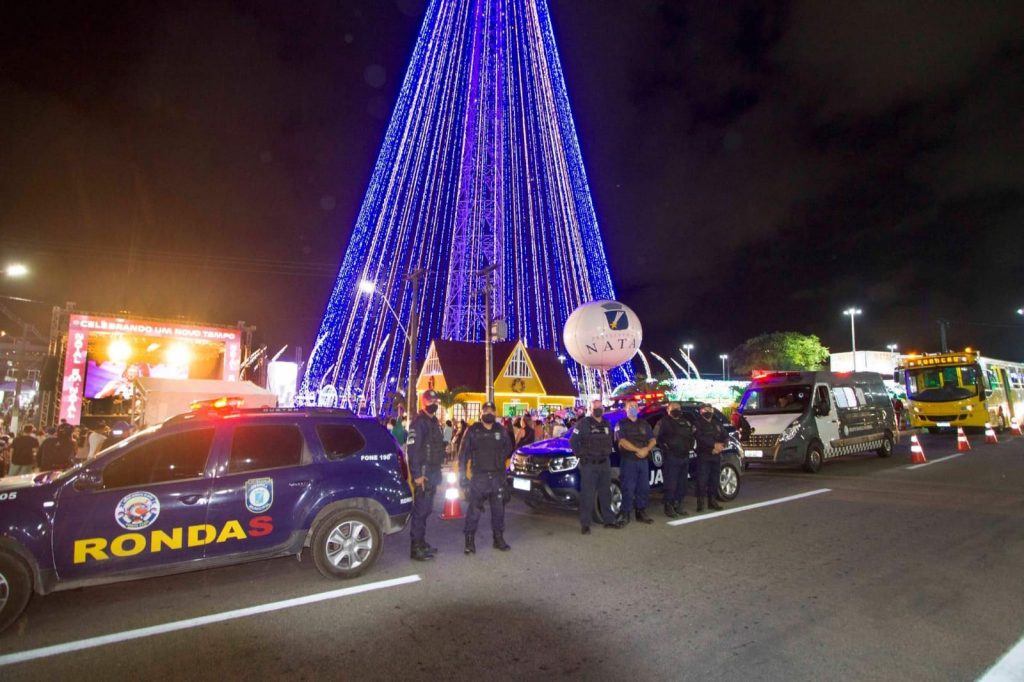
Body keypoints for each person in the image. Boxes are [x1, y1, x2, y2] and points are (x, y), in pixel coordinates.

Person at [458, 401, 514, 554]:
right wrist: (462, 478)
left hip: (497, 477)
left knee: (498, 511)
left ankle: (498, 538)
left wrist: (499, 461)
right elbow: (463, 455)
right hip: (479, 478)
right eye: (486, 411)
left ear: (495, 413)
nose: (489, 413)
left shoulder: (501, 430)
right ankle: (469, 541)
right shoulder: (473, 431)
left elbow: (509, 448)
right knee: (474, 511)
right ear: (481, 413)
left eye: (491, 411)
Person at [569, 399, 623, 535]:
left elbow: (610, 441)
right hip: (589, 465)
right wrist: (581, 456)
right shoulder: (583, 423)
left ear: (603, 409)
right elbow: (573, 441)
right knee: (587, 495)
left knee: (606, 494)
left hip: (604, 463)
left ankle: (609, 520)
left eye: (600, 407)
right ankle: (585, 524)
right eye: (595, 408)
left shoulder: (606, 424)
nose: (598, 409)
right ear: (590, 409)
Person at [406, 390, 446, 561]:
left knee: (427, 509)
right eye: (430, 401)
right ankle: (416, 548)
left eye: (435, 401)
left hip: (433, 472)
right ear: (424, 402)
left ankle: (421, 542)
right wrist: (416, 475)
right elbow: (413, 451)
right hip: (423, 473)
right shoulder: (418, 423)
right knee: (421, 511)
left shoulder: (434, 422)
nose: (434, 404)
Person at [614, 399, 656, 525]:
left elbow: (653, 440)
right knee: (628, 488)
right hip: (629, 460)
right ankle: (625, 514)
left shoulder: (644, 424)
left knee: (644, 488)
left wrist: (646, 449)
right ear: (626, 409)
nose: (633, 408)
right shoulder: (621, 424)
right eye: (630, 406)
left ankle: (640, 512)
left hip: (643, 460)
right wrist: (638, 450)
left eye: (635, 406)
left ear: (638, 408)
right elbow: (622, 441)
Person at [654, 402, 695, 518]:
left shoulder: (685, 422)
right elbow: (656, 438)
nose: (676, 410)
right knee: (671, 484)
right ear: (668, 410)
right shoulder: (663, 422)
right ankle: (668, 507)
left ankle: (678, 505)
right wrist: (665, 448)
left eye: (678, 408)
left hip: (684, 456)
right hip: (671, 457)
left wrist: (690, 446)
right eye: (673, 408)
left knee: (682, 484)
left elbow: (691, 436)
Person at [694, 403, 728, 512]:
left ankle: (712, 502)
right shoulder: (697, 423)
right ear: (701, 411)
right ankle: (700, 503)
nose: (709, 412)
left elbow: (725, 435)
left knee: (714, 479)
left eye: (710, 409)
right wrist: (713, 446)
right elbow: (699, 438)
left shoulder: (716, 423)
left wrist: (722, 446)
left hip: (716, 455)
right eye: (706, 410)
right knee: (702, 480)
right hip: (704, 455)